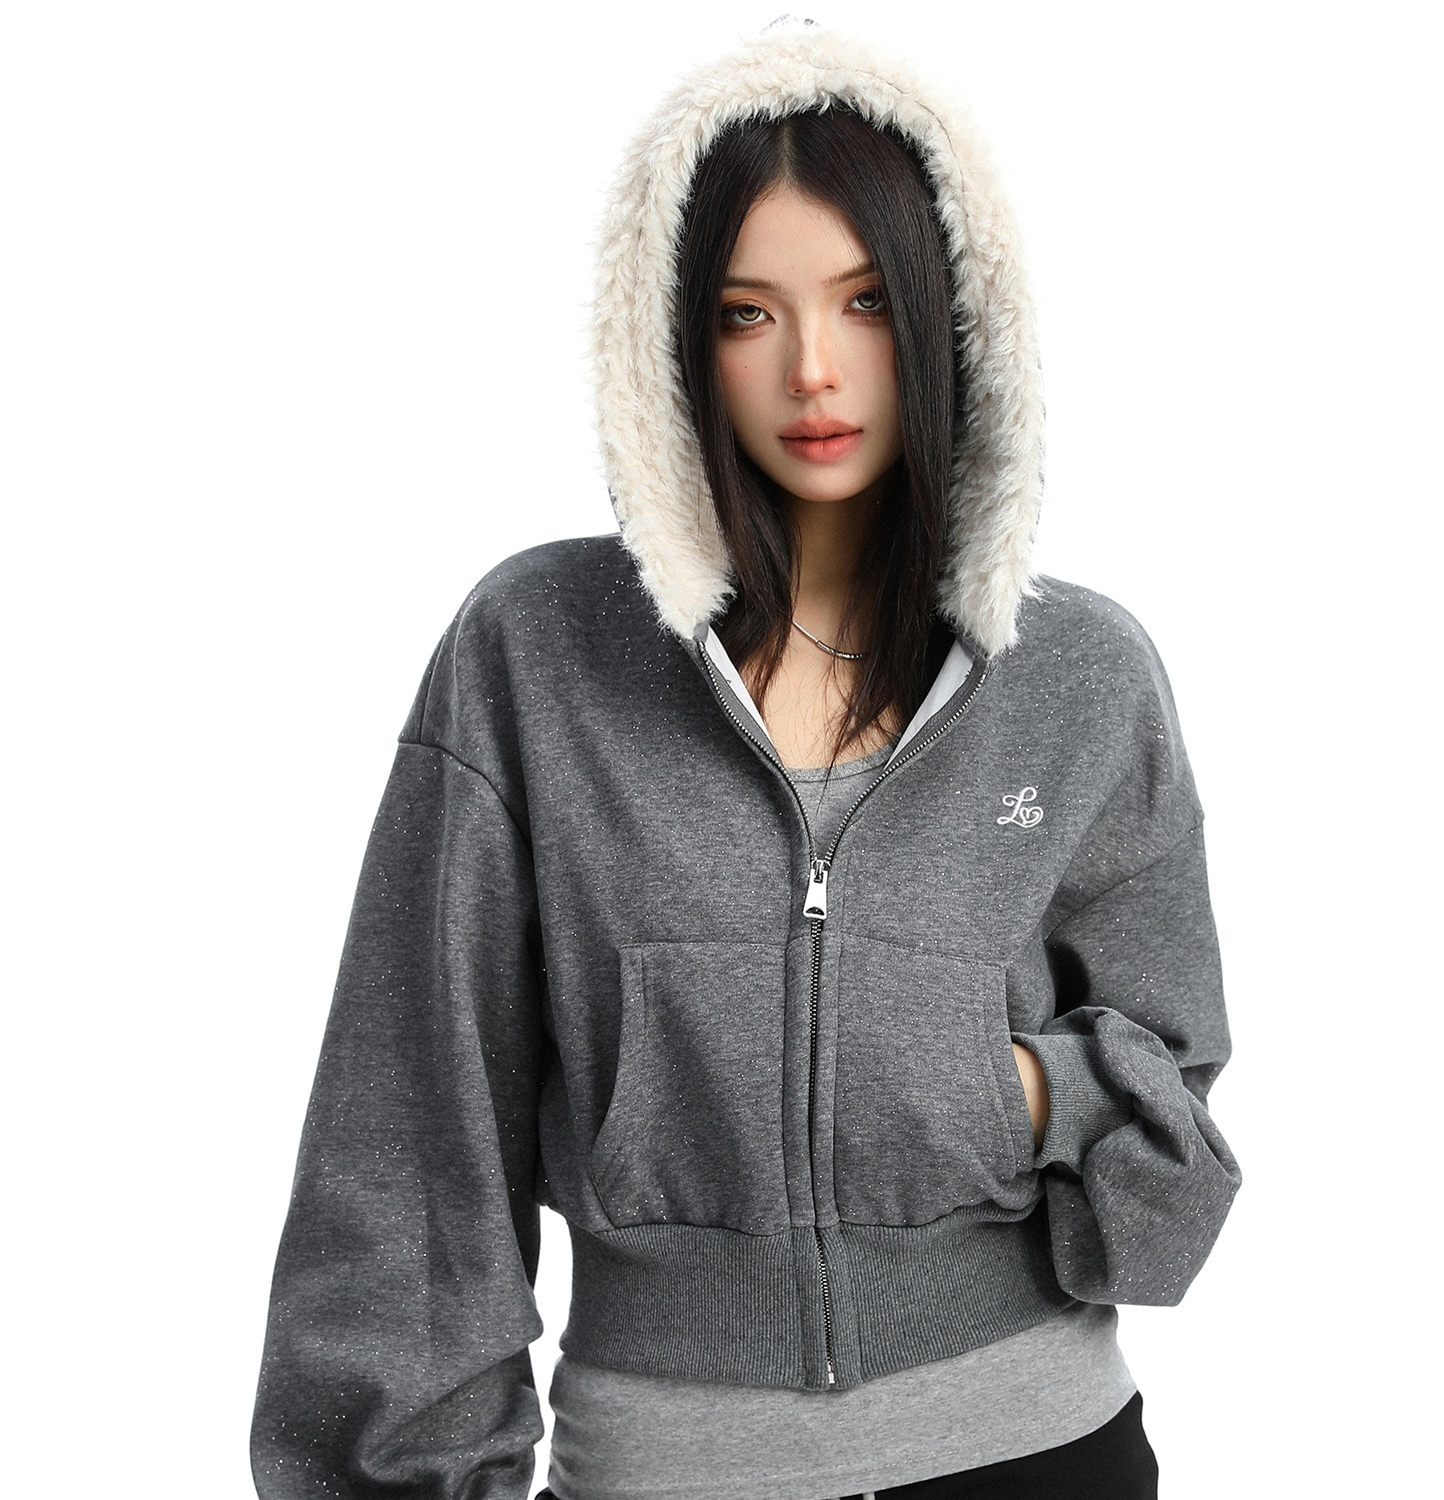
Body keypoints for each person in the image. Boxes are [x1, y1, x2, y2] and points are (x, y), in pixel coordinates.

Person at [250, 23, 1240, 1500]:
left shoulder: (1081, 676)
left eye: (864, 301)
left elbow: (1173, 1116)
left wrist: (1021, 1093)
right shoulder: (537, 653)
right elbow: (408, 1144)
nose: (814, 370)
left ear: (950, 317)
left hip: (1041, 1452)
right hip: (664, 1467)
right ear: (670, 346)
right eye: (746, 313)